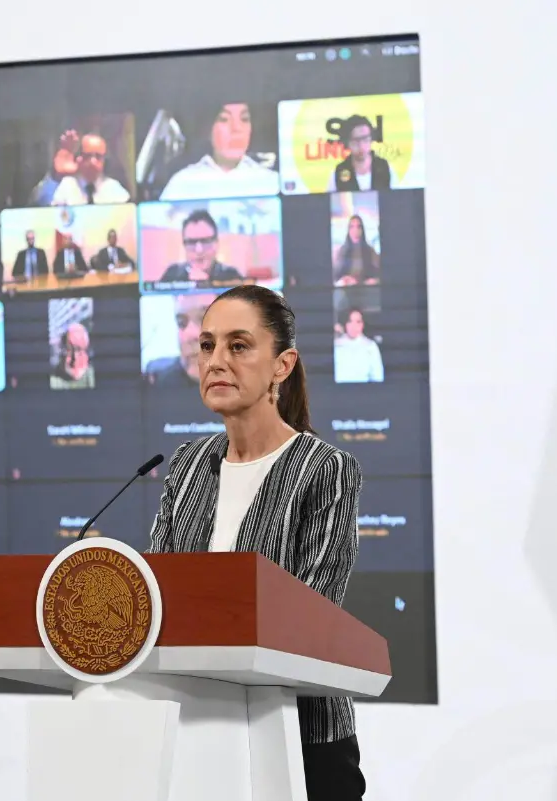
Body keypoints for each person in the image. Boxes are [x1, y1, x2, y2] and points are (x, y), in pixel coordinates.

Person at [147, 284, 366, 801]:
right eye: (207, 345)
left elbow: (310, 613)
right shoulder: (186, 465)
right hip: (199, 731)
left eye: (239, 345)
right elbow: (159, 596)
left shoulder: (325, 469)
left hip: (303, 738)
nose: (216, 361)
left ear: (282, 365)